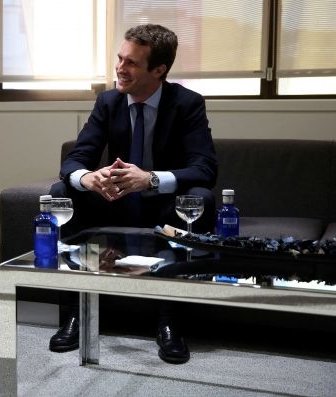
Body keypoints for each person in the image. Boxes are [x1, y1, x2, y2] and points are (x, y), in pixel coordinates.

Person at [48, 24, 218, 364]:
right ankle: (73, 314)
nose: (120, 69)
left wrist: (151, 179)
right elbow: (76, 159)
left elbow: (205, 169)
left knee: (200, 198)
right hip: (114, 204)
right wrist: (88, 178)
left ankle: (169, 323)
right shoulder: (108, 101)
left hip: (163, 209)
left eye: (132, 63)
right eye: (119, 58)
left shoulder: (186, 103)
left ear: (159, 70)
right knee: (61, 191)